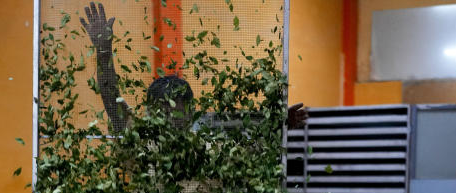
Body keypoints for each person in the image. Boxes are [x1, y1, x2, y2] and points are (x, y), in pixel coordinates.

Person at [79, 2, 306, 134]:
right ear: (149, 113)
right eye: (163, 112)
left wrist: (277, 123)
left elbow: (243, 124)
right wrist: (103, 51)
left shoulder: (205, 133)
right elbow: (111, 97)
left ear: (190, 111)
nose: (171, 119)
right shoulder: (140, 135)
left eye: (178, 112)